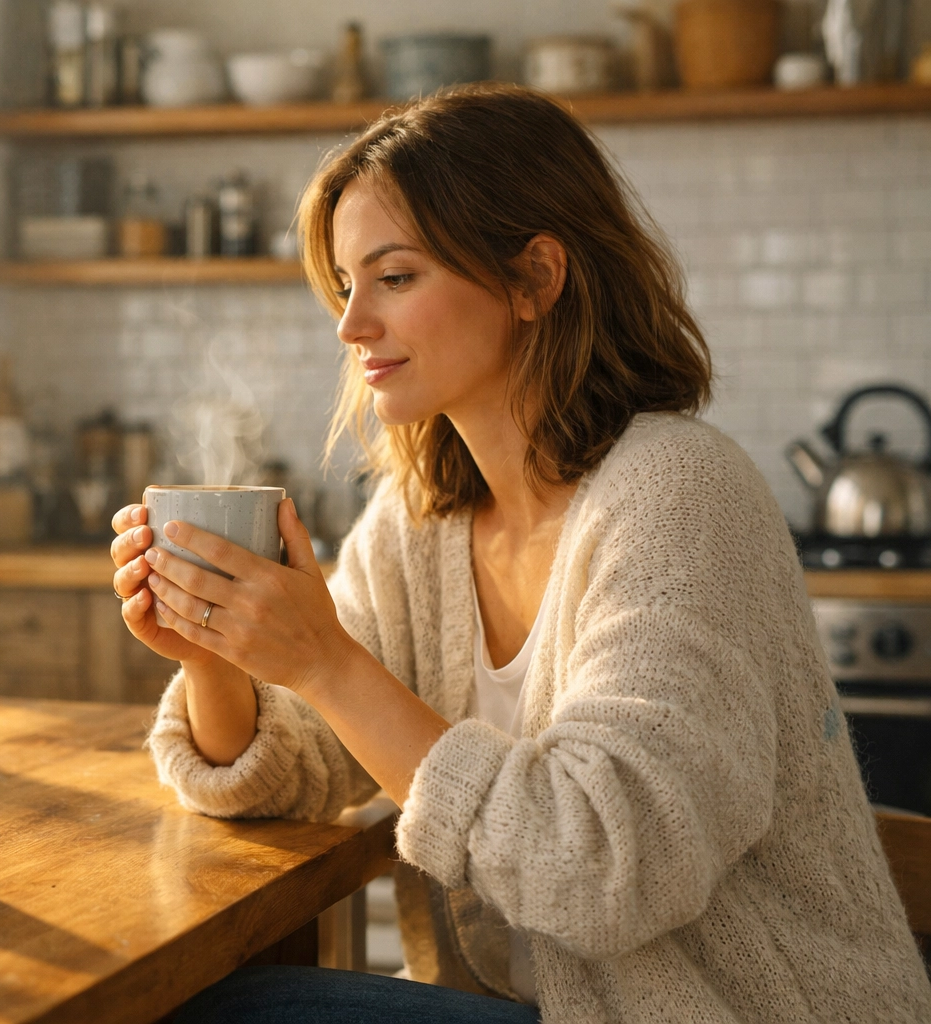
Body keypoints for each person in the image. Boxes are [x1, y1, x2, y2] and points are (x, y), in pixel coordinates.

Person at [109, 84, 931, 1024]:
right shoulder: (421, 522)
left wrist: (324, 662)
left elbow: (606, 870)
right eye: (344, 286)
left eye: (395, 277)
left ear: (536, 278)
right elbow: (296, 771)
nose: (350, 325)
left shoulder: (681, 496)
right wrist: (216, 656)